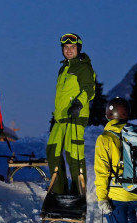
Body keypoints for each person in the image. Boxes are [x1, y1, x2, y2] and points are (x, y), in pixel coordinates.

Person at [46, 33, 96, 195]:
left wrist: (78, 103)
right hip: (60, 118)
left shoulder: (83, 67)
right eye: (66, 47)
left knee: (74, 155)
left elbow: (89, 89)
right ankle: (59, 190)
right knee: (52, 152)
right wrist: (55, 116)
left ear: (78, 48)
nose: (69, 50)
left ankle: (77, 192)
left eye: (72, 47)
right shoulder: (64, 68)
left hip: (75, 115)